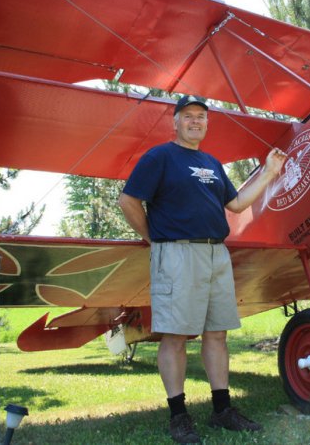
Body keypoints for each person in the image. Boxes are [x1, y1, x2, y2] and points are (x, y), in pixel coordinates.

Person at [118, 94, 286, 444]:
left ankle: (222, 410)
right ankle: (179, 416)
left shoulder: (212, 163)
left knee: (217, 334)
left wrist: (270, 172)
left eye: (202, 117)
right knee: (176, 336)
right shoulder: (160, 157)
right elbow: (128, 200)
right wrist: (154, 238)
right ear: (175, 121)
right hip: (177, 254)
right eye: (189, 115)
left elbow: (237, 204)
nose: (196, 121)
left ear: (207, 123)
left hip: (216, 255)